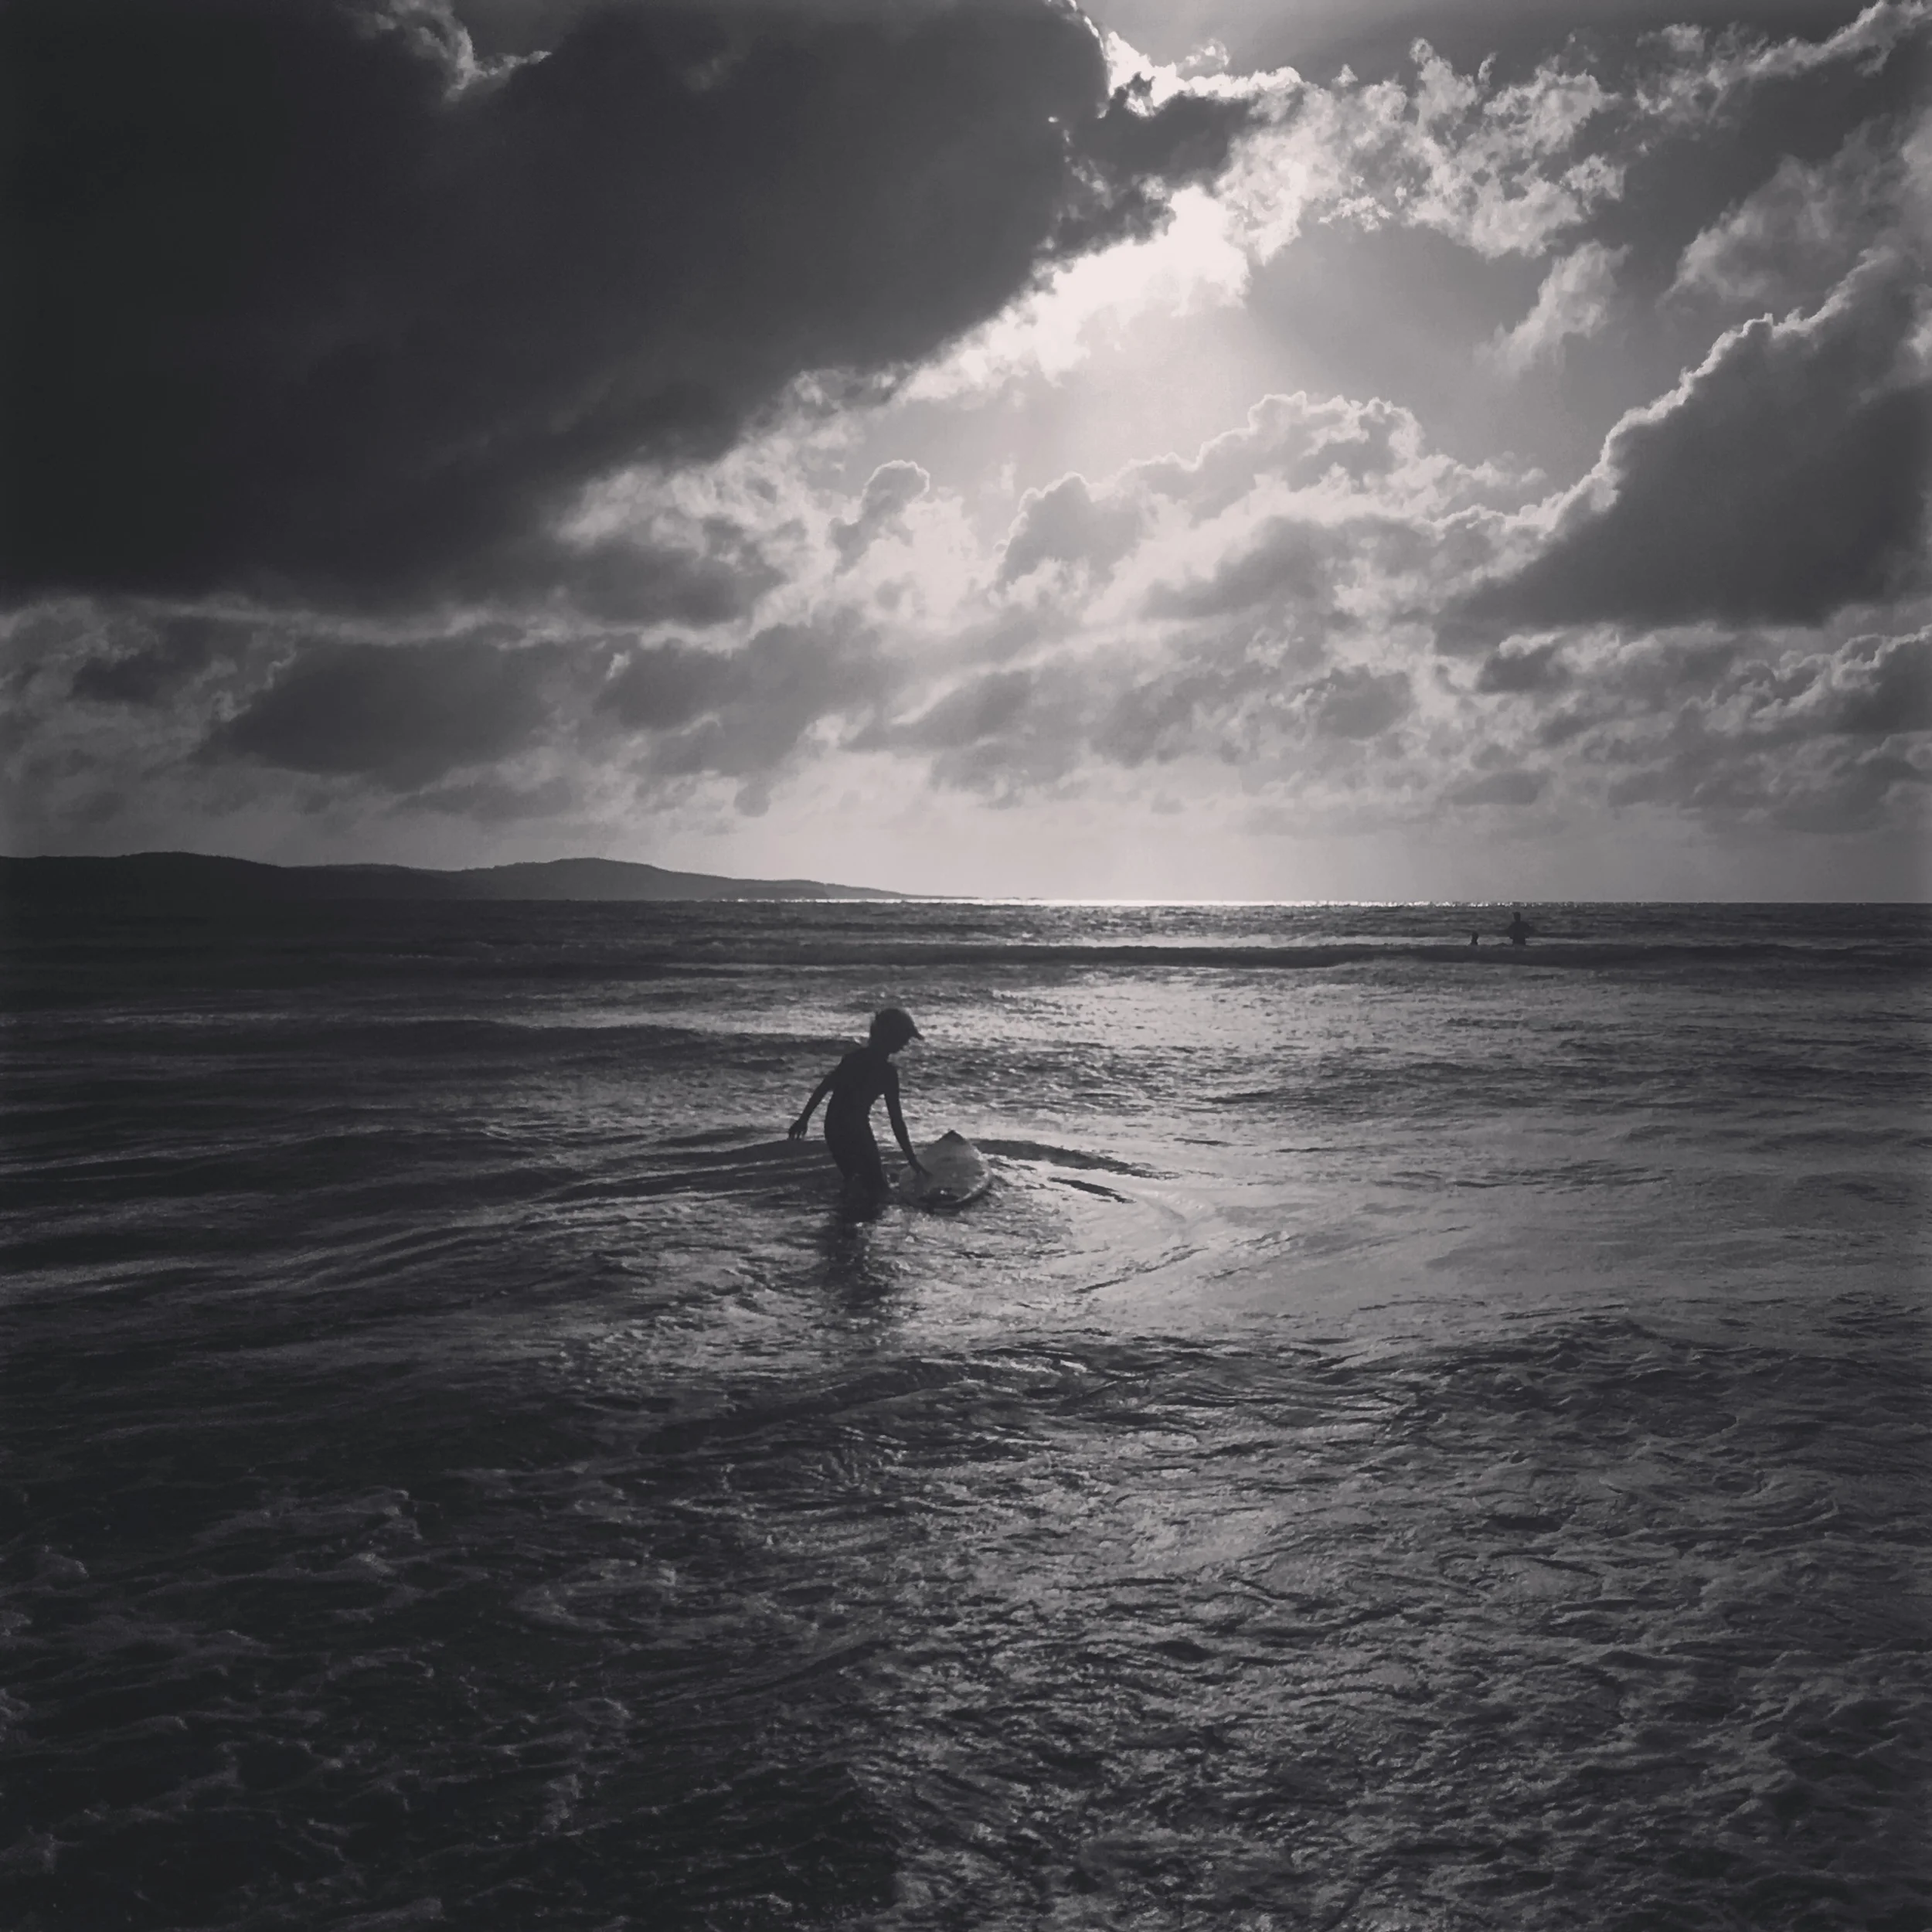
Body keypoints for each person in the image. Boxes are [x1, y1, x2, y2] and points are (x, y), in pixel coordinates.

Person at [790, 1007, 927, 1202]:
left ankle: (845, 1213)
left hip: (833, 1125)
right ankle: (852, 1213)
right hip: (855, 1128)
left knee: (854, 1178)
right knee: (878, 1188)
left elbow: (824, 1088)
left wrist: (803, 1120)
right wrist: (912, 1160)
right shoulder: (887, 1073)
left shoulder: (853, 1059)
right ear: (891, 1036)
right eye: (904, 1037)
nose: (906, 1044)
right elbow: (896, 1121)